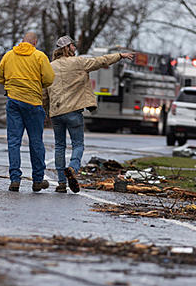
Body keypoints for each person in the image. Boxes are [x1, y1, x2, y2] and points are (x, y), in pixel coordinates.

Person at [46, 36, 134, 193]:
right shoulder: (79, 62)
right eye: (72, 45)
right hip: (73, 111)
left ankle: (61, 183)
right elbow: (100, 61)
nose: (75, 47)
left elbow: (44, 91)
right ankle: (73, 168)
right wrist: (120, 55)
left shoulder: (50, 67)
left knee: (59, 146)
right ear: (67, 48)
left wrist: (46, 109)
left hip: (56, 113)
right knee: (78, 144)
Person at [0, 32, 55, 192]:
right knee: (36, 141)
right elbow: (49, 79)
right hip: (33, 103)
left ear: (22, 41)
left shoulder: (9, 55)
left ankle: (15, 179)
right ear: (35, 42)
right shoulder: (39, 56)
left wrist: (11, 84)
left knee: (14, 141)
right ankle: (37, 180)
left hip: (13, 102)